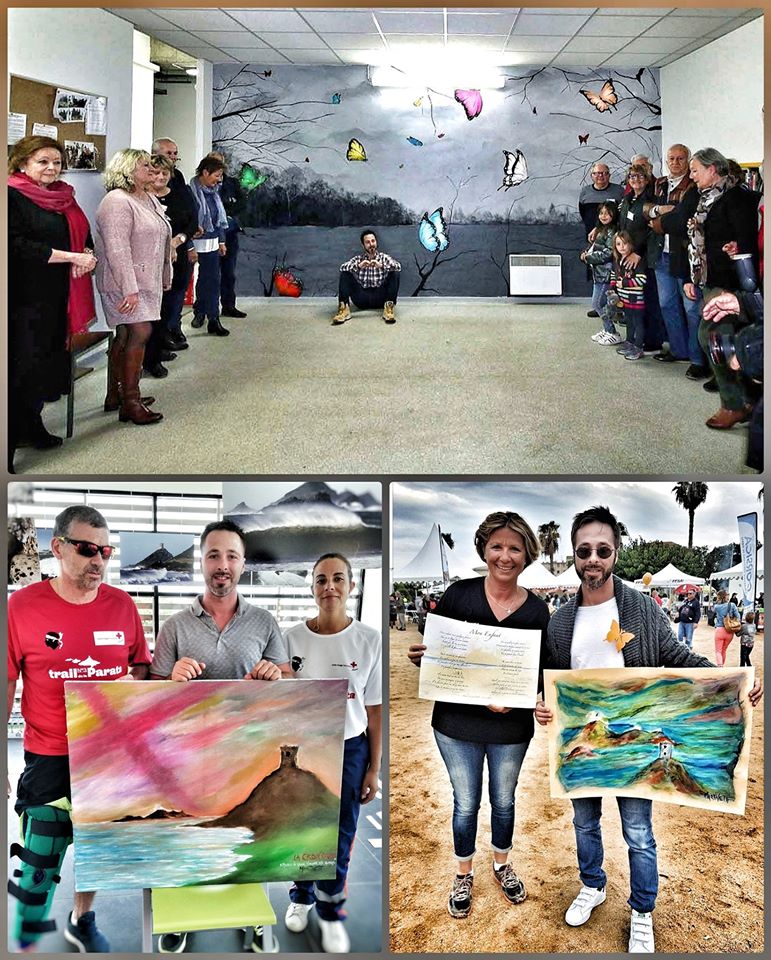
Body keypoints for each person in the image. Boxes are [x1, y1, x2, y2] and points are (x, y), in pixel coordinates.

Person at [535, 505, 762, 953]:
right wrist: (541, 706)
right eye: (584, 551)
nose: (593, 559)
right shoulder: (561, 619)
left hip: (636, 744)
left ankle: (642, 910)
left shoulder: (640, 608)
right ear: (575, 555)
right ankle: (593, 885)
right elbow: (548, 677)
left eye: (602, 550)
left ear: (616, 552)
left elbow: (677, 657)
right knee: (585, 825)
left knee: (638, 832)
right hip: (583, 747)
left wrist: (734, 685)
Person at [7, 506, 151, 953]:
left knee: (96, 850)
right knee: (41, 855)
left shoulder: (122, 605)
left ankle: (81, 920)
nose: (99, 560)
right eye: (88, 549)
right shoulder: (21, 607)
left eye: (105, 550)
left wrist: (130, 686)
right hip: (48, 754)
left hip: (107, 756)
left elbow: (141, 670)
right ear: (58, 547)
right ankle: (26, 932)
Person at [149, 519, 289, 954]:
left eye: (231, 556)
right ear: (202, 563)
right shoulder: (174, 626)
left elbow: (288, 682)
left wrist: (274, 675)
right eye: (213, 555)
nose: (222, 565)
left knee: (252, 834)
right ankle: (180, 917)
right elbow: (151, 696)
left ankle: (256, 921)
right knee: (188, 834)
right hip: (188, 757)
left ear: (243, 564)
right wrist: (170, 678)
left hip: (249, 752)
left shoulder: (265, 622)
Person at [407, 512, 550, 920]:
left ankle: (502, 865)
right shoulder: (458, 595)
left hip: (511, 727)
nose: (505, 556)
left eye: (515, 548)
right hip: (456, 726)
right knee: (466, 803)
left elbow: (542, 670)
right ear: (484, 549)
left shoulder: (538, 611)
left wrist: (533, 700)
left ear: (527, 554)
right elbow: (442, 658)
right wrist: (423, 658)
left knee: (504, 801)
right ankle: (463, 872)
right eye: (497, 547)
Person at [283, 554, 381, 954]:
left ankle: (331, 911)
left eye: (338, 579)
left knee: (341, 832)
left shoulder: (369, 640)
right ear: (312, 587)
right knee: (302, 827)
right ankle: (301, 897)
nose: (330, 587)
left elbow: (374, 710)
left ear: (351, 586)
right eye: (321, 580)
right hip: (305, 747)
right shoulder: (290, 639)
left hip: (351, 747)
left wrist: (375, 768)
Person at [8, 135, 97, 470]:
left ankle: (31, 426)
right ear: (22, 163)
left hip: (58, 297)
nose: (51, 168)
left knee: (43, 367)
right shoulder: (11, 195)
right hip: (22, 300)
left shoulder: (64, 197)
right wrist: (70, 256)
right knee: (19, 371)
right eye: (42, 161)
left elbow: (82, 233)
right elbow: (16, 246)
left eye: (56, 162)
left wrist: (85, 253)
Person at [95, 148, 171, 426]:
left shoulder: (147, 197)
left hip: (144, 280)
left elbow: (162, 236)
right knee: (140, 331)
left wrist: (165, 272)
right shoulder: (116, 201)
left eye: (151, 166)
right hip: (122, 281)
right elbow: (117, 250)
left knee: (126, 335)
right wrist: (129, 288)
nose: (152, 170)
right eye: (144, 166)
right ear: (127, 169)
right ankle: (131, 400)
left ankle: (115, 395)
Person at [686, 148, 761, 429]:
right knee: (724, 340)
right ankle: (750, 398)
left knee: (712, 337)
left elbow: (748, 242)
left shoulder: (738, 197)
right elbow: (695, 243)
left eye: (695, 170)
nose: (691, 176)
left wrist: (736, 248)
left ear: (712, 169)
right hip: (709, 279)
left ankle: (733, 404)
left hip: (730, 285)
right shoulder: (705, 199)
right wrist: (691, 277)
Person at [646, 144, 706, 374]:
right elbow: (644, 208)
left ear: (688, 161)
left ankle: (697, 358)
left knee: (692, 308)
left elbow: (683, 221)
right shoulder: (659, 183)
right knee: (667, 304)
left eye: (681, 159)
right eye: (671, 158)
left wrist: (659, 220)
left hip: (684, 256)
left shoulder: (694, 187)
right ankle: (678, 350)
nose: (675, 162)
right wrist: (660, 211)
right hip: (661, 254)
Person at [151, 138, 199, 351]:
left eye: (174, 154)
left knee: (177, 290)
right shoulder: (142, 194)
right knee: (159, 298)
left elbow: (191, 217)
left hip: (179, 247)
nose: (172, 159)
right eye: (168, 153)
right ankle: (158, 341)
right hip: (152, 254)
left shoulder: (179, 181)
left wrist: (182, 241)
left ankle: (171, 330)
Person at [617, 165, 665, 354]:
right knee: (630, 303)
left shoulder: (651, 202)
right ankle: (633, 340)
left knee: (647, 302)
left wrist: (638, 252)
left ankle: (650, 342)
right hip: (627, 255)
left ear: (647, 179)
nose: (636, 179)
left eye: (640, 176)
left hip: (644, 257)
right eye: (632, 176)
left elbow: (653, 231)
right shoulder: (628, 200)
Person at [189, 155, 230, 336]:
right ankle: (199, 312)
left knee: (212, 280)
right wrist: (189, 245)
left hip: (212, 242)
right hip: (191, 243)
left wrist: (221, 240)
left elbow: (219, 219)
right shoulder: (190, 191)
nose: (219, 180)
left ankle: (214, 318)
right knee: (191, 282)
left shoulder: (215, 193)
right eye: (217, 175)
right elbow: (186, 220)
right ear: (205, 173)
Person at [578, 163, 625, 316]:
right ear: (592, 176)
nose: (601, 176)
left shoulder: (618, 191)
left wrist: (602, 228)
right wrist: (595, 229)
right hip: (593, 237)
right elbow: (583, 213)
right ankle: (599, 304)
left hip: (611, 237)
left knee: (610, 272)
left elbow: (621, 215)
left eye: (604, 173)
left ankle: (610, 306)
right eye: (597, 173)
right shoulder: (585, 192)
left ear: (609, 175)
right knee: (596, 270)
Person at [332, 230, 400, 325]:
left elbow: (398, 266)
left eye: (373, 241)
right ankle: (344, 310)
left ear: (376, 242)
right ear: (363, 245)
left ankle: (388, 310)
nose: (371, 244)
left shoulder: (384, 258)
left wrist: (382, 266)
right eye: (368, 242)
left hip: (380, 298)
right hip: (361, 299)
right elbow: (342, 267)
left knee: (395, 273)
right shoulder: (358, 259)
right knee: (345, 273)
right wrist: (358, 266)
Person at [209, 150, 247, 319]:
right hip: (210, 234)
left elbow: (243, 203)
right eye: (213, 163)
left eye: (219, 163)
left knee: (229, 272)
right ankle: (204, 310)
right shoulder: (201, 185)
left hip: (230, 233)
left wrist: (227, 216)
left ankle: (229, 306)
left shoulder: (232, 183)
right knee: (209, 274)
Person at [582, 203, 619, 343]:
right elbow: (596, 247)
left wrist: (588, 258)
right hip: (599, 272)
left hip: (606, 273)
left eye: (607, 213)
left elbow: (608, 253)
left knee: (597, 304)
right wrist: (587, 253)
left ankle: (612, 332)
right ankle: (607, 329)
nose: (604, 216)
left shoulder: (612, 231)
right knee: (600, 304)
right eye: (601, 213)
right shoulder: (603, 229)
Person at [609, 231, 647, 361]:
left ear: (631, 244)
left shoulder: (636, 261)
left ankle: (638, 347)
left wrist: (624, 283)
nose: (622, 247)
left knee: (638, 324)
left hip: (636, 300)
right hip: (625, 300)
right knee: (629, 322)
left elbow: (642, 279)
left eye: (625, 243)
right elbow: (614, 275)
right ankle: (629, 342)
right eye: (618, 244)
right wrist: (612, 287)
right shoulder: (618, 260)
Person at [711, 588, 741, 666]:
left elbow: (713, 611)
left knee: (718, 651)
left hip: (720, 630)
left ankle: (720, 666)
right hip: (729, 630)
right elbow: (738, 617)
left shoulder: (716, 607)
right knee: (724, 650)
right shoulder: (732, 605)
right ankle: (722, 665)